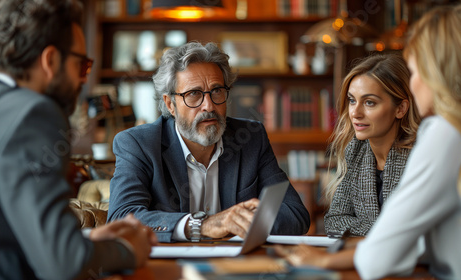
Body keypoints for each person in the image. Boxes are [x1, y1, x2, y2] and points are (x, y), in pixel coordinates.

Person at [276, 4, 461, 279]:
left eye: (417, 72)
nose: (414, 83)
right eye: (352, 101)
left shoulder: (444, 134)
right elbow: (338, 221)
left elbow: (381, 258)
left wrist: (323, 261)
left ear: (438, 74)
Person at [0, 1, 157, 279]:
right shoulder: (33, 114)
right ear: (50, 61)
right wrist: (127, 249)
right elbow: (63, 264)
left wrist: (90, 244)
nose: (83, 81)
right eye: (82, 65)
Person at [107, 41, 310, 243]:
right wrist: (204, 225)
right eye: (193, 94)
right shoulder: (139, 144)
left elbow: (295, 214)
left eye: (216, 91)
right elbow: (122, 218)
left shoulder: (250, 138)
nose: (209, 106)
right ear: (170, 104)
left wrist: (239, 222)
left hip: (237, 266)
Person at [324, 54, 420, 236]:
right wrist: (383, 231)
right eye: (352, 100)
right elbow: (334, 220)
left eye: (369, 102)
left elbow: (413, 231)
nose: (355, 113)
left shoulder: (420, 155)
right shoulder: (356, 150)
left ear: (400, 109)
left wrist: (365, 229)